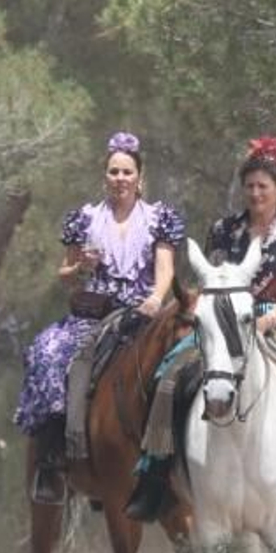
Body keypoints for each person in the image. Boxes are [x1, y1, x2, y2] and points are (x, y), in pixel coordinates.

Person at [125, 134, 276, 521]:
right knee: (168, 376)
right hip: (223, 319)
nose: (255, 193)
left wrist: (268, 318)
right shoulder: (223, 230)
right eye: (249, 186)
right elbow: (210, 278)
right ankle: (157, 473)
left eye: (263, 187)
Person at [14, 131, 185, 505]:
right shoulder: (85, 219)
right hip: (95, 313)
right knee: (47, 352)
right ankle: (55, 456)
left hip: (145, 312)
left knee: (190, 357)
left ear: (140, 177)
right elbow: (64, 275)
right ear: (104, 176)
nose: (120, 179)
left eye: (127, 172)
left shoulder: (161, 218)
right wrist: (79, 267)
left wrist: (157, 298)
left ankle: (182, 454)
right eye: (113, 172)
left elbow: (166, 267)